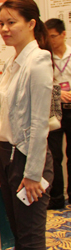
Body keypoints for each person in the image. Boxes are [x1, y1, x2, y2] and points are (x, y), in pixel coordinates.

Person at [0, 0, 54, 250]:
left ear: (31, 23)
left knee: (31, 237)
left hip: (28, 159)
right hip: (7, 155)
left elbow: (40, 122)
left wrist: (32, 173)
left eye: (11, 22)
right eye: (1, 23)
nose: (4, 29)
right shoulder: (13, 61)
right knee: (17, 232)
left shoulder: (38, 60)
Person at [45, 17, 70, 210]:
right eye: (48, 37)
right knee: (54, 156)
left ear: (63, 34)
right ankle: (57, 198)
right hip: (53, 110)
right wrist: (58, 93)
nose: (51, 40)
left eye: (53, 36)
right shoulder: (45, 58)